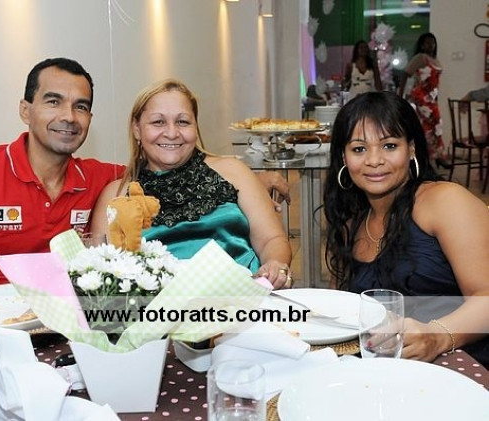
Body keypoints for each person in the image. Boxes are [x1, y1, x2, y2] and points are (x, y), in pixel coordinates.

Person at [0, 58, 291, 300]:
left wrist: (252, 179)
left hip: (54, 322)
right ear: (26, 110)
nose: (68, 116)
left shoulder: (96, 179)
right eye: (53, 101)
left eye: (81, 106)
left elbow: (169, 167)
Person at [323, 91, 489, 367]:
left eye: (389, 146)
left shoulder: (444, 201)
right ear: (343, 157)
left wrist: (435, 337)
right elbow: (344, 309)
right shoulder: (350, 223)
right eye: (359, 149)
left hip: (461, 361)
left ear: (411, 149)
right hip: (385, 368)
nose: (374, 160)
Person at [90, 79, 293, 288]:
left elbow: (271, 239)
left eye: (183, 122)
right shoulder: (116, 196)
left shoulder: (234, 172)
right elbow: (103, 272)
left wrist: (275, 264)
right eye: (158, 122)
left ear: (196, 126)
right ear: (137, 129)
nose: (172, 133)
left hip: (243, 298)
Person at [398, 33, 450, 169]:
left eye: (432, 42)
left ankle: (436, 156)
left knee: (436, 126)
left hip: (432, 99)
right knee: (428, 128)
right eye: (427, 43)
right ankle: (429, 158)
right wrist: (400, 94)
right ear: (421, 45)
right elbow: (405, 74)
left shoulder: (435, 59)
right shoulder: (420, 58)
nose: (430, 45)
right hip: (421, 98)